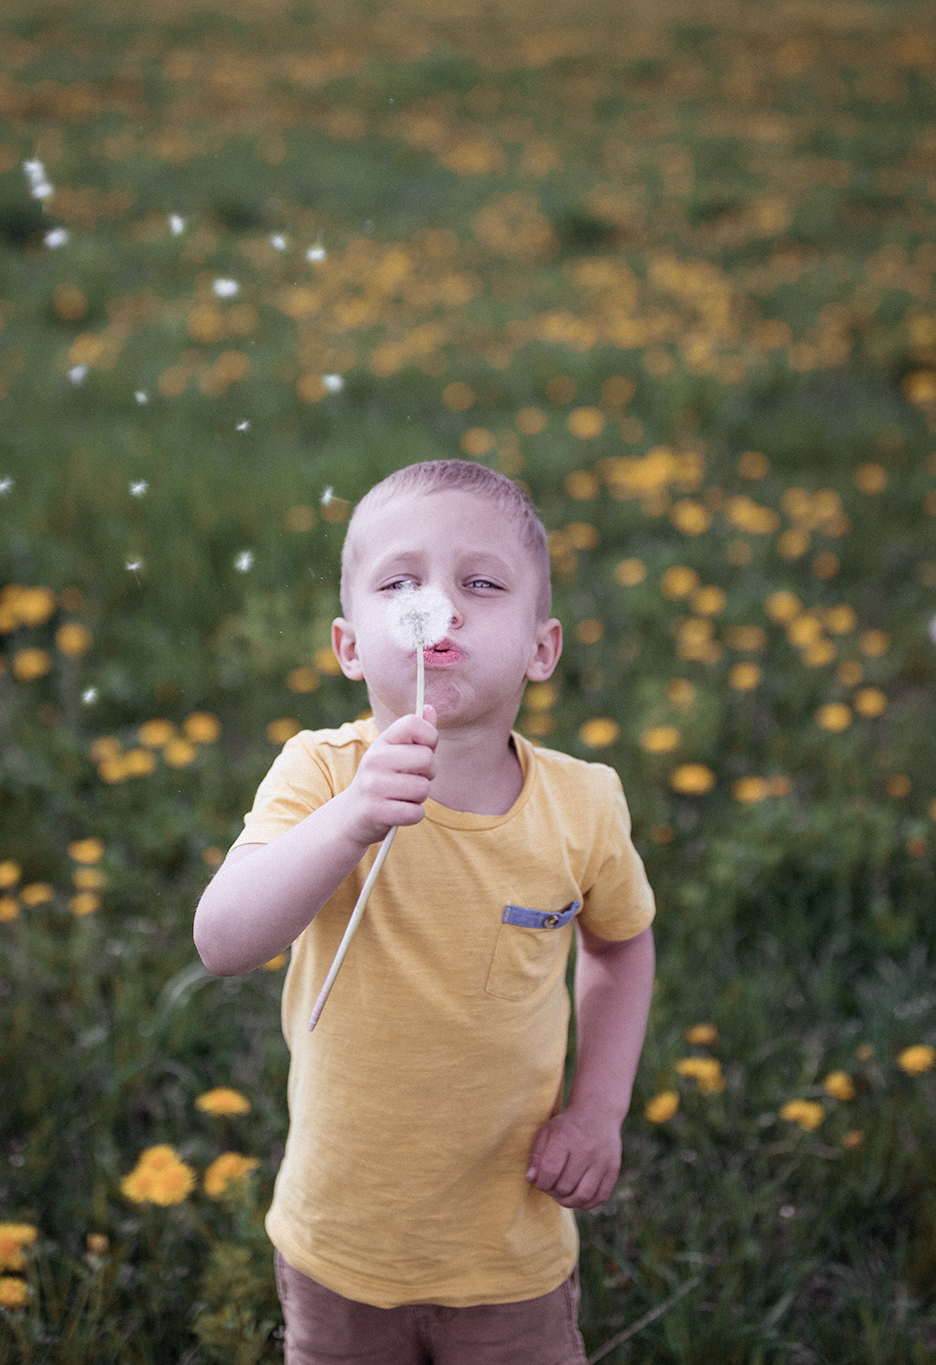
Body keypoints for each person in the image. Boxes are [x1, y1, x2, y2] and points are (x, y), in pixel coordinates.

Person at [194, 458, 657, 1364]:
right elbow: (221, 941)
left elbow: (622, 945)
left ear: (541, 647)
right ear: (351, 645)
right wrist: (352, 820)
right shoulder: (321, 775)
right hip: (344, 1246)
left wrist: (598, 1108)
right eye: (401, 583)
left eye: (480, 584)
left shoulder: (584, 805)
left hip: (508, 1253)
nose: (439, 608)